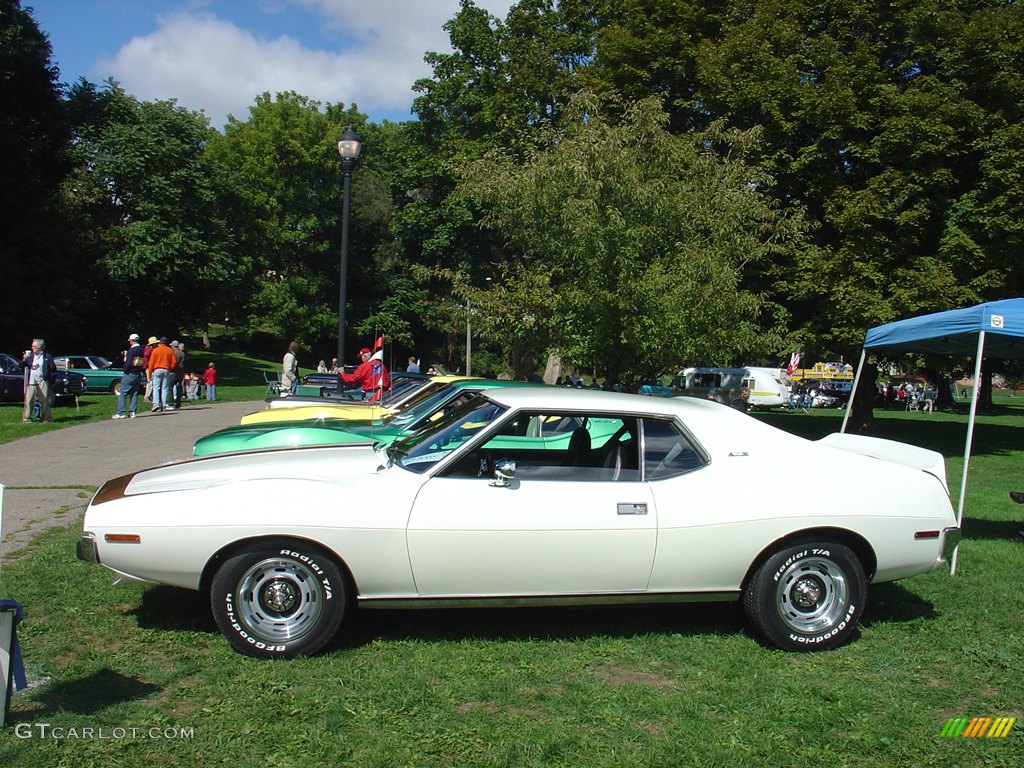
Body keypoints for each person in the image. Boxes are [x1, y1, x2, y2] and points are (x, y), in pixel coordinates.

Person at [20, 339, 56, 423]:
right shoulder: (30, 357)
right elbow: (21, 365)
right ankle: (27, 418)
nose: (32, 348)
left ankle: (47, 418)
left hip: (42, 380)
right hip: (31, 382)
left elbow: (53, 369)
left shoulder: (47, 357)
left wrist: (49, 380)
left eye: (34, 346)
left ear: (39, 347)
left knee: (44, 400)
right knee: (29, 400)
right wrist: (24, 359)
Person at [113, 333, 145, 419]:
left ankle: (121, 412)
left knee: (123, 393)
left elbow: (128, 362)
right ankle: (132, 412)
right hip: (138, 373)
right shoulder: (141, 350)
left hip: (130, 373)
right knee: (134, 393)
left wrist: (125, 369)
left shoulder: (132, 350)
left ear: (131, 341)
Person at [147, 337, 176, 411]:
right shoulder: (170, 350)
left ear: (159, 343)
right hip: (166, 369)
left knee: (156, 387)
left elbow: (151, 363)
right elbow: (174, 362)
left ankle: (156, 403)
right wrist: (170, 368)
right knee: (165, 387)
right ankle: (164, 404)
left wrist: (150, 373)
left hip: (157, 369)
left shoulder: (155, 350)